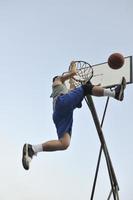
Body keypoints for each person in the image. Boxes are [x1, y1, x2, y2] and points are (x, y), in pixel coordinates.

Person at [22, 61, 126, 170]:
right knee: (86, 88)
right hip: (62, 104)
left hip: (60, 114)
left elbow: (72, 87)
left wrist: (94, 88)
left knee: (64, 143)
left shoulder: (66, 91)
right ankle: (115, 93)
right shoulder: (58, 81)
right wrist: (73, 66)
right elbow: (73, 73)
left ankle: (33, 149)